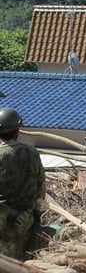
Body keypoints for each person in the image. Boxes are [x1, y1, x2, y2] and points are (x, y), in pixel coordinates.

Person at [0, 107, 46, 260]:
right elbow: (41, 188)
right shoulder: (32, 152)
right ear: (17, 130)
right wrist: (35, 217)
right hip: (26, 222)